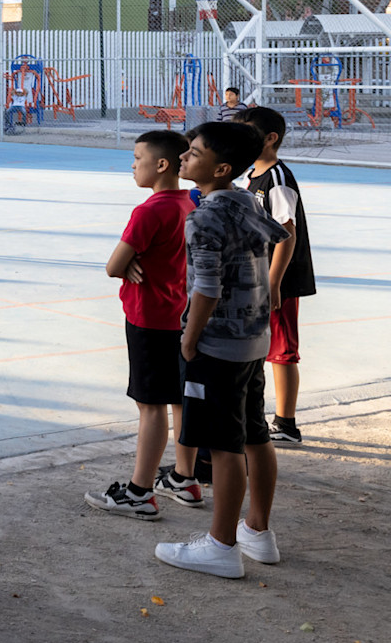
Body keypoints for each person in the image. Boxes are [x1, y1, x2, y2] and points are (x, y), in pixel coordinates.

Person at [154, 122, 288, 579]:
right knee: (255, 435)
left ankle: (221, 545)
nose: (184, 158)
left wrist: (190, 338)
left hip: (218, 346)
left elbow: (207, 287)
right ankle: (258, 531)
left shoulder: (204, 217)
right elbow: (281, 236)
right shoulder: (246, 200)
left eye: (193, 153)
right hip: (252, 340)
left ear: (221, 168)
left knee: (224, 445)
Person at [84, 130, 191, 521]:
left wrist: (126, 264)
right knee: (179, 399)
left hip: (150, 317)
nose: (132, 166)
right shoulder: (189, 202)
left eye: (137, 158)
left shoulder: (149, 211)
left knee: (151, 406)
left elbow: (113, 266)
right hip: (181, 313)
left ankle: (139, 492)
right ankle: (185, 478)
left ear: (161, 165)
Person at [236, 105, 314, 447]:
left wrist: (273, 282)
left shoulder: (278, 179)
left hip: (277, 280)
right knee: (255, 348)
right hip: (255, 278)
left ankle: (286, 423)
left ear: (270, 138)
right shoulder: (250, 175)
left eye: (248, 134)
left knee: (281, 351)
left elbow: (287, 234)